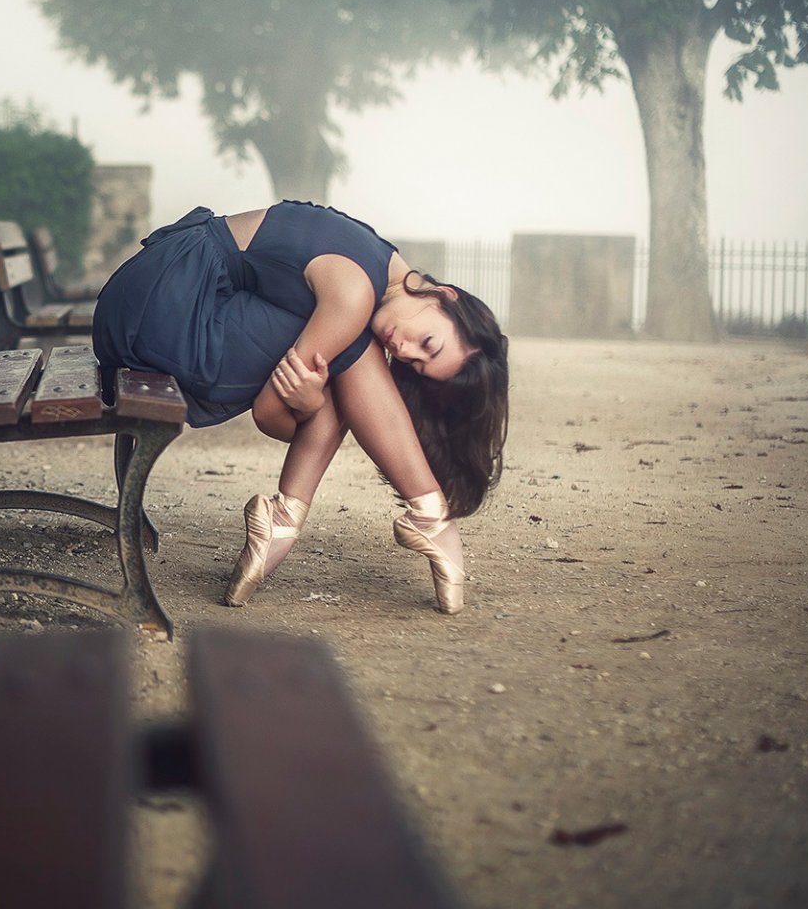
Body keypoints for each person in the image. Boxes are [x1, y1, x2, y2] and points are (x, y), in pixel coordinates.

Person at [92, 202, 509, 613]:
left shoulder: (374, 258)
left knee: (338, 362)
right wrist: (307, 404)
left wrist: (313, 402)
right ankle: (429, 515)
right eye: (429, 341)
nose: (403, 349)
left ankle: (286, 518)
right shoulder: (355, 293)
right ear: (444, 296)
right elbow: (269, 415)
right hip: (165, 307)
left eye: (417, 362)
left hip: (151, 299)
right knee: (351, 354)